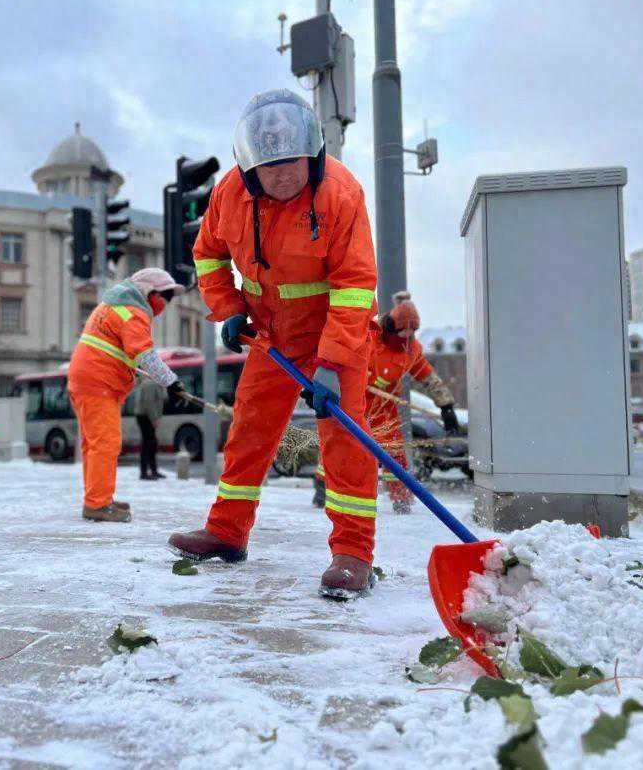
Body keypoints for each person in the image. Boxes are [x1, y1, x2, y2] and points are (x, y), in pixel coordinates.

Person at [168, 89, 380, 599]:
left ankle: (353, 554)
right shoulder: (229, 195)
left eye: (292, 164)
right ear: (249, 168)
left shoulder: (341, 195)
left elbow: (354, 287)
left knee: (345, 442)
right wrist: (229, 308)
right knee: (249, 432)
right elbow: (208, 254)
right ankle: (227, 532)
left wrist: (331, 363)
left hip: (335, 335)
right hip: (271, 338)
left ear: (312, 155)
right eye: (270, 168)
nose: (283, 176)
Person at [313, 292, 459, 514]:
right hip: (355, 402)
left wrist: (446, 406)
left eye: (412, 331)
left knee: (395, 454)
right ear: (392, 327)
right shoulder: (370, 337)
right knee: (342, 446)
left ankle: (401, 499)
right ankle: (323, 486)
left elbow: (429, 378)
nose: (406, 336)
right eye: (402, 331)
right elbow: (344, 357)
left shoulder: (411, 350)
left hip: (385, 411)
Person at [67, 268, 187, 522]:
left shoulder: (116, 307)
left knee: (95, 444)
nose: (166, 303)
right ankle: (98, 504)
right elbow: (145, 354)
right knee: (105, 443)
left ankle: (98, 498)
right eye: (165, 296)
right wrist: (171, 382)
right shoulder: (132, 312)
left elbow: (119, 354)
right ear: (149, 292)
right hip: (98, 382)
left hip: (89, 379)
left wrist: (140, 376)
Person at [129, 378, 167, 480]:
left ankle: (153, 470)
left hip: (148, 416)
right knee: (147, 443)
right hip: (145, 416)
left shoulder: (156, 383)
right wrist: (154, 418)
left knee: (152, 443)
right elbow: (149, 403)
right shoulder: (150, 384)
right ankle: (144, 472)